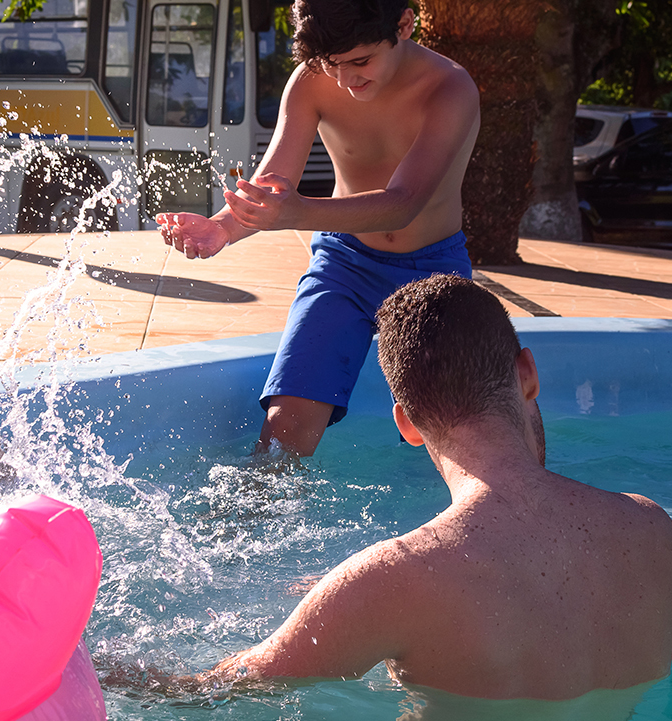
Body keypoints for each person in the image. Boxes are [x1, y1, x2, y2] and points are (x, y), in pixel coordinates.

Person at [201, 275, 672, 705]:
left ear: (405, 424)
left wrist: (129, 676)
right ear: (528, 374)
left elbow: (223, 689)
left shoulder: (389, 581)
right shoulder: (650, 529)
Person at [158, 0, 480, 458]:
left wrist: (295, 212)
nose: (347, 80)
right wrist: (222, 228)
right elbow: (273, 187)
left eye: (361, 61)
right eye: (333, 65)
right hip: (344, 265)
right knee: (283, 429)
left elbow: (403, 204)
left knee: (464, 431)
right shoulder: (313, 80)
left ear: (404, 25)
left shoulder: (450, 88)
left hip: (433, 270)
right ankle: (252, 521)